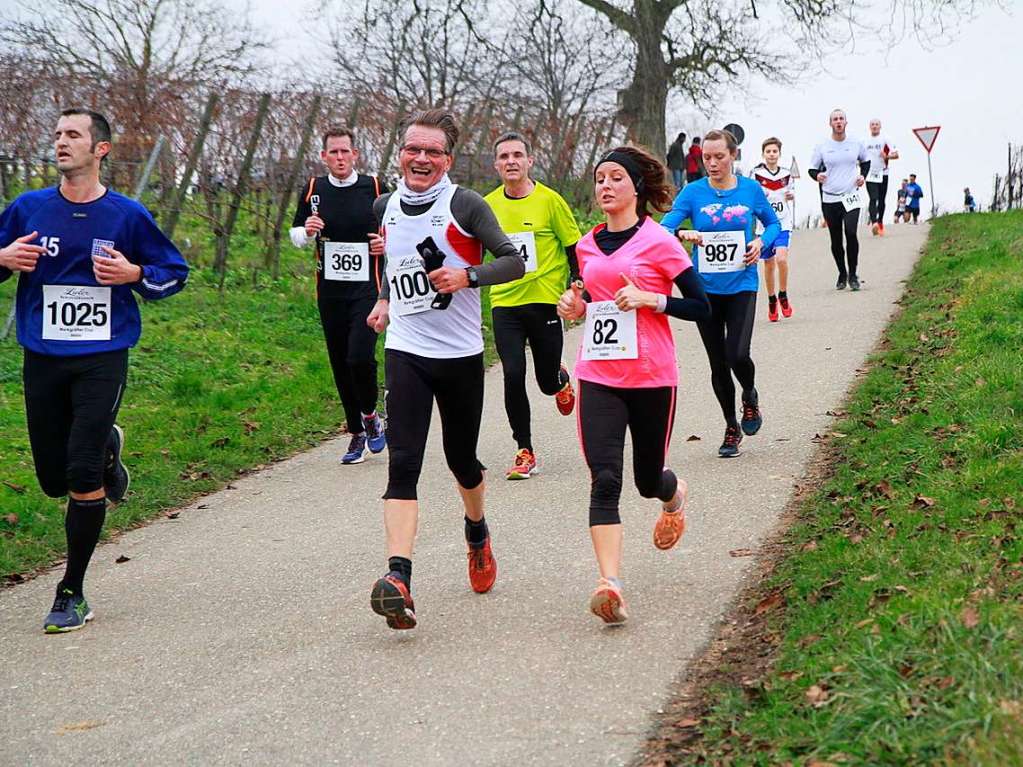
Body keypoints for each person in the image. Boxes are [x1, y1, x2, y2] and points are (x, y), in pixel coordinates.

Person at [0, 109, 188, 633]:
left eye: (73, 135)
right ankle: (108, 444)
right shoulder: (27, 208)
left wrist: (135, 274)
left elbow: (174, 274)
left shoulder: (127, 216)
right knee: (51, 478)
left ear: (100, 149)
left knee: (81, 474)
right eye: (57, 135)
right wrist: (5, 257)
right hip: (43, 357)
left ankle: (71, 592)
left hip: (103, 357)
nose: (61, 143)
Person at [364, 109, 525, 630]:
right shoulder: (383, 206)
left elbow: (514, 262)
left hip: (459, 356)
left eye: (433, 152)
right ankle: (399, 579)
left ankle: (476, 530)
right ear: (401, 153)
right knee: (403, 461)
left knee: (462, 459)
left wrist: (469, 275)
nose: (421, 159)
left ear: (447, 161)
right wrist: (385, 300)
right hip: (406, 349)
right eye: (414, 149)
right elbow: (395, 264)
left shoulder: (465, 204)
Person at [556, 146, 710, 625]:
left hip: (650, 376)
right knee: (605, 479)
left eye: (616, 177)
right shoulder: (585, 245)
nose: (605, 185)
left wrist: (651, 299)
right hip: (599, 375)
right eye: (600, 177)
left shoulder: (660, 242)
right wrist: (574, 308)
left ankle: (673, 494)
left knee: (646, 480)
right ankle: (610, 585)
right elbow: (589, 297)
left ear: (636, 187)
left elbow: (701, 306)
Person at [661, 129, 780, 458]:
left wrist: (760, 242)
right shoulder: (693, 192)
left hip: (742, 283)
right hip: (706, 290)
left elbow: (773, 224)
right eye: (707, 158)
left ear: (733, 156)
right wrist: (685, 233)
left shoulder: (750, 190)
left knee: (737, 354)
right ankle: (731, 426)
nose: (712, 163)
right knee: (718, 363)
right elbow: (665, 228)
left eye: (719, 157)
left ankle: (750, 396)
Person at [484, 132, 581, 480]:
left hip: (544, 301)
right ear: (496, 165)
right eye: (504, 156)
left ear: (529, 161)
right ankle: (524, 450)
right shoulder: (488, 205)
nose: (511, 161)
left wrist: (577, 282)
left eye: (517, 155)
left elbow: (574, 248)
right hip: (505, 302)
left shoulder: (550, 201)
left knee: (545, 381)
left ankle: (561, 380)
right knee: (512, 374)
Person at [290, 128, 388, 465]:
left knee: (359, 356)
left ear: (355, 154)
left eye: (345, 152)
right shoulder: (315, 189)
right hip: (330, 289)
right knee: (339, 360)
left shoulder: (375, 187)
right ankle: (357, 432)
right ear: (324, 157)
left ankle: (372, 416)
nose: (340, 158)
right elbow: (295, 232)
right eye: (333, 153)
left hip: (367, 287)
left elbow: (396, 227)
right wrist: (306, 232)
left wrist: (384, 244)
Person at [809, 109, 870, 291]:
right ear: (830, 123)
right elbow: (812, 169)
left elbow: (865, 162)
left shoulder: (856, 142)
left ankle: (853, 274)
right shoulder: (822, 145)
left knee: (851, 233)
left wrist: (862, 176)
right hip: (830, 198)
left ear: (846, 122)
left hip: (850, 195)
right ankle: (842, 273)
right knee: (836, 240)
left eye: (841, 119)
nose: (838, 122)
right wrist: (817, 176)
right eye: (835, 119)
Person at [751, 137, 795, 322]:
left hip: (783, 222)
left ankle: (783, 294)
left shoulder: (786, 174)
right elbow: (750, 195)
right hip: (764, 225)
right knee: (768, 263)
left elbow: (791, 193)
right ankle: (771, 299)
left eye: (774, 151)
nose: (771, 154)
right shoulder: (756, 174)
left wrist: (791, 195)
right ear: (763, 154)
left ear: (779, 153)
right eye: (768, 151)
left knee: (781, 258)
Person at [863, 119, 899, 236]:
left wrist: (887, 156)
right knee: (873, 198)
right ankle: (874, 223)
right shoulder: (864, 141)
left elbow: (896, 155)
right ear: (869, 127)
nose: (874, 126)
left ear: (880, 126)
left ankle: (880, 222)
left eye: (876, 124)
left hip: (883, 173)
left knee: (882, 199)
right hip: (870, 174)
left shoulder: (885, 139)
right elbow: (859, 155)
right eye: (872, 125)